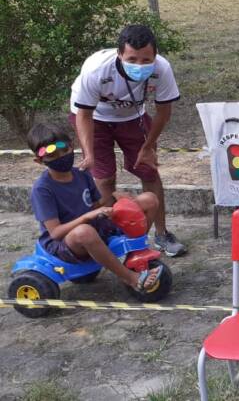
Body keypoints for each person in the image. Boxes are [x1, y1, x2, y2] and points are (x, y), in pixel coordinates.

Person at [69, 24, 186, 256]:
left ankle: (161, 234)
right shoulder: (96, 69)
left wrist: (149, 146)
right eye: (132, 59)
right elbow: (83, 115)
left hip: (133, 116)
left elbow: (163, 112)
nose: (139, 65)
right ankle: (109, 235)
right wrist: (89, 154)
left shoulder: (162, 68)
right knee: (104, 177)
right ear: (119, 54)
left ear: (155, 56)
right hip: (95, 117)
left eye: (146, 60)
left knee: (149, 171)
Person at [27, 123, 163, 292]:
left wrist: (114, 197)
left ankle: (133, 254)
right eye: (52, 155)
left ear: (72, 147)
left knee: (149, 199)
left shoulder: (82, 174)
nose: (61, 157)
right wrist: (87, 217)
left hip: (95, 226)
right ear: (39, 161)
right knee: (84, 231)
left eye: (64, 151)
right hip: (66, 243)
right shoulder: (42, 189)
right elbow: (55, 233)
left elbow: (96, 206)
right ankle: (130, 278)